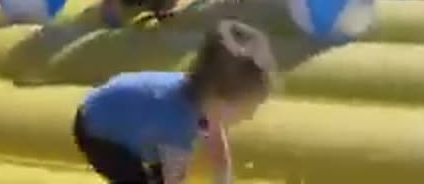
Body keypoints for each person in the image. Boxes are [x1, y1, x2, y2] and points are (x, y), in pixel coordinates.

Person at [74, 19, 277, 183]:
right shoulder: (178, 125)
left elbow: (215, 138)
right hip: (98, 133)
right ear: (219, 97)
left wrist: (223, 179)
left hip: (118, 111)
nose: (249, 115)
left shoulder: (201, 96)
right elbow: (175, 178)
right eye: (246, 108)